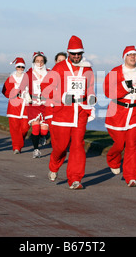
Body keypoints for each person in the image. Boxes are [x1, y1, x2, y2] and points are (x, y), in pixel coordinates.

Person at [41, 35, 97, 189]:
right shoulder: (59, 68)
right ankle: (54, 165)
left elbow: (90, 87)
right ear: (68, 53)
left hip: (80, 111)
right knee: (60, 146)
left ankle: (75, 179)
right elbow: (45, 88)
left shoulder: (88, 69)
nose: (76, 56)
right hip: (62, 112)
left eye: (79, 53)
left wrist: (91, 97)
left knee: (78, 145)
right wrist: (60, 97)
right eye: (73, 53)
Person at [103, 46, 136, 187]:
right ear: (124, 57)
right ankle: (112, 158)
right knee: (119, 144)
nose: (133, 57)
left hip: (134, 113)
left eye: (135, 55)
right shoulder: (115, 71)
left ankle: (132, 177)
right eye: (130, 55)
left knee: (132, 144)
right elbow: (107, 91)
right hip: (116, 111)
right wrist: (125, 86)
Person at [18, 52, 50, 158]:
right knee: (35, 128)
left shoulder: (49, 72)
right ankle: (36, 150)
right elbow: (22, 88)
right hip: (33, 104)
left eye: (41, 61)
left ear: (44, 62)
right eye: (37, 61)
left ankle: (43, 136)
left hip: (46, 104)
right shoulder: (28, 74)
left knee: (44, 130)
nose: (39, 63)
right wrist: (26, 96)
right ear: (34, 62)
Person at [2, 57, 30, 155]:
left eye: (22, 67)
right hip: (14, 107)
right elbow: (5, 91)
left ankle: (19, 141)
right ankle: (16, 147)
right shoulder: (11, 78)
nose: (20, 69)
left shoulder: (28, 77)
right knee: (14, 128)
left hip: (26, 106)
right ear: (15, 67)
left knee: (25, 127)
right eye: (18, 67)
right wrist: (15, 93)